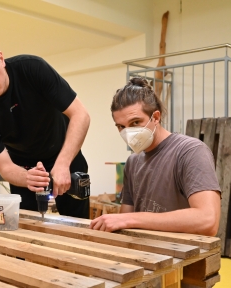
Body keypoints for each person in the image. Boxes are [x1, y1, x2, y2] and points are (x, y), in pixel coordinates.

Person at [0, 33, 90, 219]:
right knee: (29, 227)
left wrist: (63, 164)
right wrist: (27, 177)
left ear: (1, 59)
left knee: (78, 224)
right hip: (23, 168)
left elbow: (80, 114)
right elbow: (5, 167)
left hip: (65, 155)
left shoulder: (32, 69)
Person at [90, 77, 221, 236]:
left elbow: (207, 220)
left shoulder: (190, 152)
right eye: (121, 127)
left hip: (182, 255)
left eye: (135, 122)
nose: (127, 132)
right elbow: (125, 220)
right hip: (144, 254)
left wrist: (133, 219)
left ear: (156, 117)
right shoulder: (133, 162)